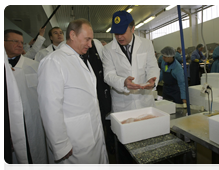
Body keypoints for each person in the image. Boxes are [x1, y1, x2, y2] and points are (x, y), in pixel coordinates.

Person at [37, 18, 109, 170]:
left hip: (90, 132)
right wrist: (60, 145)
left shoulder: (82, 59)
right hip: (73, 140)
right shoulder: (54, 61)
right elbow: (49, 107)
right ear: (73, 35)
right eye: (87, 39)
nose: (90, 45)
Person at [102, 10, 160, 170]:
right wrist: (123, 82)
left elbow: (153, 67)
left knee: (149, 148)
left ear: (132, 28)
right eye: (116, 33)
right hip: (123, 106)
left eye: (122, 32)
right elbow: (108, 75)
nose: (119, 37)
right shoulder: (107, 50)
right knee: (125, 151)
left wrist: (152, 80)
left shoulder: (146, 44)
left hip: (144, 102)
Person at [4, 29, 47, 170]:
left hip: (32, 120)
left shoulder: (33, 65)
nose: (19, 44)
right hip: (9, 121)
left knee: (34, 155)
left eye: (21, 42)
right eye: (15, 41)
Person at [83, 39, 113, 153]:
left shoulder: (97, 44)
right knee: (96, 123)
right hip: (90, 94)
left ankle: (109, 144)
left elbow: (105, 65)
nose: (89, 44)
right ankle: (101, 146)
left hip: (102, 90)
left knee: (107, 120)